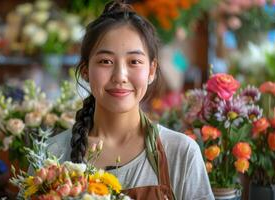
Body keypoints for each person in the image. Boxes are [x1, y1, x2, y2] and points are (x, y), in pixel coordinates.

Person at [45, 1, 214, 199]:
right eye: (105, 61)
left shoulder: (181, 153)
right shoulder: (51, 155)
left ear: (151, 71)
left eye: (134, 62)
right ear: (85, 71)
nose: (120, 76)